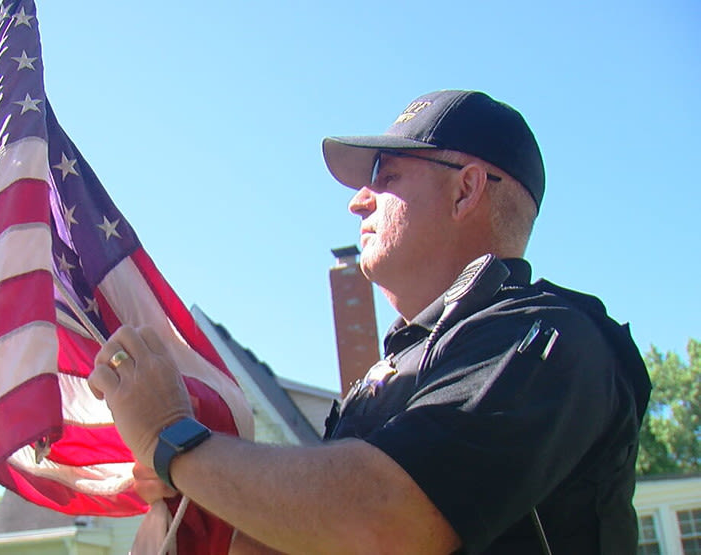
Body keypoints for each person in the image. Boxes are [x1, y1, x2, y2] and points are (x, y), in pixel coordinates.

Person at [88, 90, 651, 554]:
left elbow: (382, 522)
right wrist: (203, 492)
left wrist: (177, 441)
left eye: (386, 175)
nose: (358, 203)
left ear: (466, 189)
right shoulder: (388, 379)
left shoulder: (546, 338)